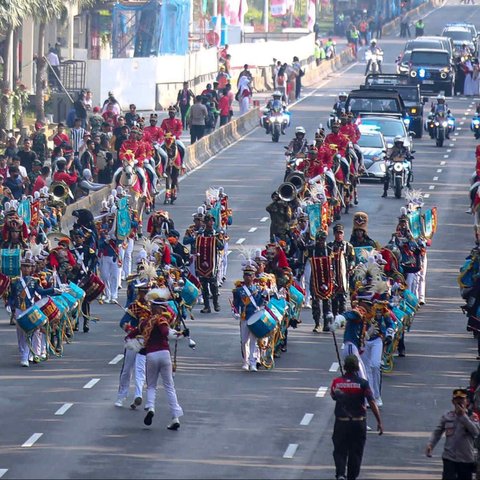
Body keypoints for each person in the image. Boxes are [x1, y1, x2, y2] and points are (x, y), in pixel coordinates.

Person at [128, 287, 186, 429]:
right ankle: (175, 417)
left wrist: (130, 337)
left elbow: (132, 334)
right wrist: (182, 333)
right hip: (164, 354)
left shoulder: (145, 322)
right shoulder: (161, 320)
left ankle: (151, 407)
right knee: (169, 386)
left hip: (151, 355)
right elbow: (168, 333)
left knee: (152, 385)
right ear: (160, 309)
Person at [330, 355, 383, 480]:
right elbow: (372, 402)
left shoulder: (337, 382)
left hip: (341, 423)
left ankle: (340, 474)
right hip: (358, 423)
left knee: (339, 450)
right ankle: (351, 477)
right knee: (356, 453)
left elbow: (334, 396)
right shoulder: (363, 383)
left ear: (344, 367)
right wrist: (379, 421)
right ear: (357, 368)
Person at [426, 388, 480, 480]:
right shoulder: (447, 416)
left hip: (466, 459)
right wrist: (431, 444)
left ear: (466, 401)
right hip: (449, 458)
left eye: (462, 399)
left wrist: (463, 416)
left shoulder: (473, 416)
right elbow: (437, 431)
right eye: (457, 399)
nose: (459, 401)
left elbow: (476, 432)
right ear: (453, 401)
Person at [232, 262, 265, 371]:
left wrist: (264, 295)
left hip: (254, 317)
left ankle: (253, 362)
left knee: (254, 341)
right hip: (244, 318)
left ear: (254, 276)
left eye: (250, 275)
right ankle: (245, 361)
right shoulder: (238, 291)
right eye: (246, 275)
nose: (248, 277)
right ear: (243, 276)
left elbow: (260, 303)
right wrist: (235, 312)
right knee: (244, 341)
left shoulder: (258, 289)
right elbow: (235, 304)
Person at [305, 229, 334, 333]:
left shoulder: (329, 250)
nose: (321, 242)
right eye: (319, 240)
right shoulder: (311, 249)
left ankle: (326, 324)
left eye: (323, 239)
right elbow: (304, 257)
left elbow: (333, 266)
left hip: (327, 279)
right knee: (316, 302)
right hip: (315, 279)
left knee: (327, 301)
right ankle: (317, 323)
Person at [195, 212, 224, 313]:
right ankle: (207, 306)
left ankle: (216, 303)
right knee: (203, 286)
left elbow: (221, 247)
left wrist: (215, 240)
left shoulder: (217, 233)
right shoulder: (200, 233)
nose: (210, 223)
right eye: (208, 221)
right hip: (201, 262)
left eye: (212, 221)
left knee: (213, 285)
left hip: (212, 263)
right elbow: (195, 246)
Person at [328, 223, 355, 316]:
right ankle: (335, 316)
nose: (339, 235)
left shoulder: (348, 246)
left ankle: (342, 317)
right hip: (333, 275)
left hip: (344, 275)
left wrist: (350, 268)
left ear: (343, 234)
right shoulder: (329, 246)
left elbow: (352, 259)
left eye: (340, 233)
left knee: (343, 297)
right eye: (337, 233)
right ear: (334, 234)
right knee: (334, 297)